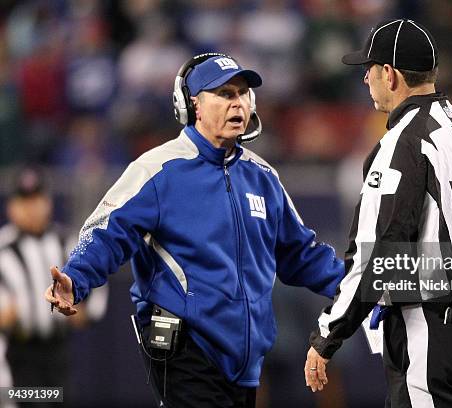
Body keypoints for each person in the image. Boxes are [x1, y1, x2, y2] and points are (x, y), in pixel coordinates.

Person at [45, 53, 344, 408]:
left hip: (245, 356)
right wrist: (76, 278)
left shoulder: (262, 177)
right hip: (186, 347)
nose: (238, 103)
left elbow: (301, 254)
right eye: (224, 93)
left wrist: (357, 290)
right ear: (194, 105)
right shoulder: (158, 169)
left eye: (243, 93)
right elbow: (107, 232)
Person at [304, 18, 452, 407]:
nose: (365, 81)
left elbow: (379, 252)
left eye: (369, 70)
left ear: (389, 75)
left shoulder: (404, 142)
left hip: (426, 325)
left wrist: (328, 335)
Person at [0, 168, 108, 404]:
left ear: (48, 202)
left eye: (37, 200)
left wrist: (88, 313)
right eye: (24, 202)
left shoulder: (66, 242)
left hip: (58, 351)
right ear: (11, 207)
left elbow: (98, 279)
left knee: (60, 400)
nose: (32, 208)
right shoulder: (3, 248)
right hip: (18, 352)